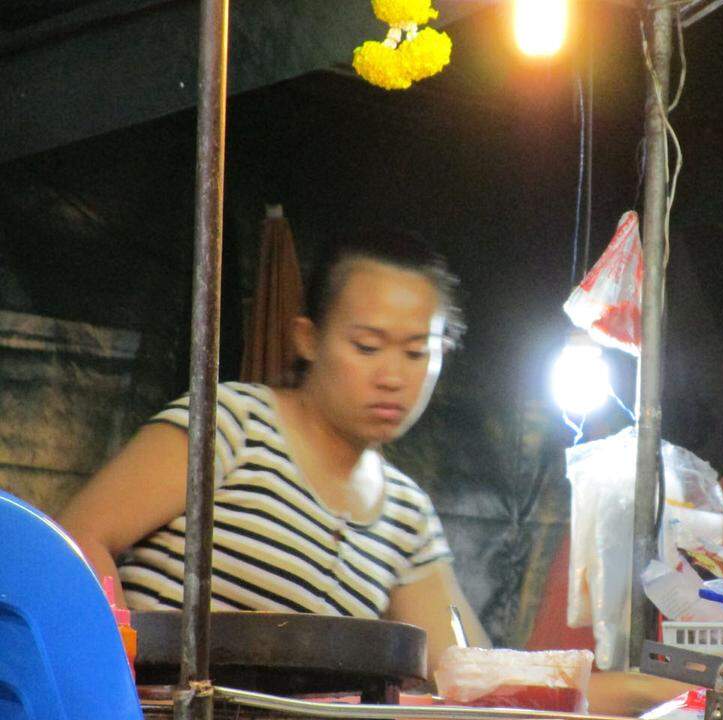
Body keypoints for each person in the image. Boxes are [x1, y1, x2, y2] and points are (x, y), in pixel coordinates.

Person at [59, 228, 490, 676]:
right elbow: (81, 536)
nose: (392, 376)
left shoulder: (407, 516)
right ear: (307, 339)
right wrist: (116, 682)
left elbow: (463, 672)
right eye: (367, 347)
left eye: (417, 352)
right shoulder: (231, 423)